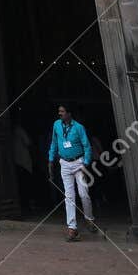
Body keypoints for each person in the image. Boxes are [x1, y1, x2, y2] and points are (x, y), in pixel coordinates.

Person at [48, 103, 94, 241]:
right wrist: (50, 159)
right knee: (69, 196)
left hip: (78, 163)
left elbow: (87, 146)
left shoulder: (79, 128)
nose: (60, 114)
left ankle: (89, 219)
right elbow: (54, 143)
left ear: (69, 113)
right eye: (59, 111)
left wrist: (85, 164)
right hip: (64, 163)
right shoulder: (56, 125)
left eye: (62, 111)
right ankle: (72, 228)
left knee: (83, 193)